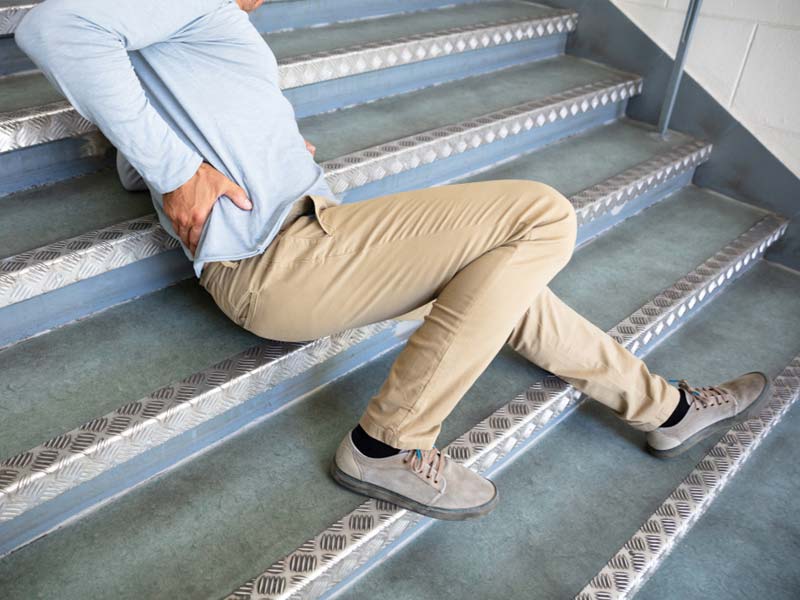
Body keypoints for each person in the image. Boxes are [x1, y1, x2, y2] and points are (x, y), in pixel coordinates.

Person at [15, 0, 770, 521]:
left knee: (503, 282)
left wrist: (258, 148)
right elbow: (52, 27)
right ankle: (388, 443)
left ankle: (666, 408)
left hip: (313, 239)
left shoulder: (183, 29)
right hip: (281, 258)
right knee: (539, 216)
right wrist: (179, 174)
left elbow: (141, 134)